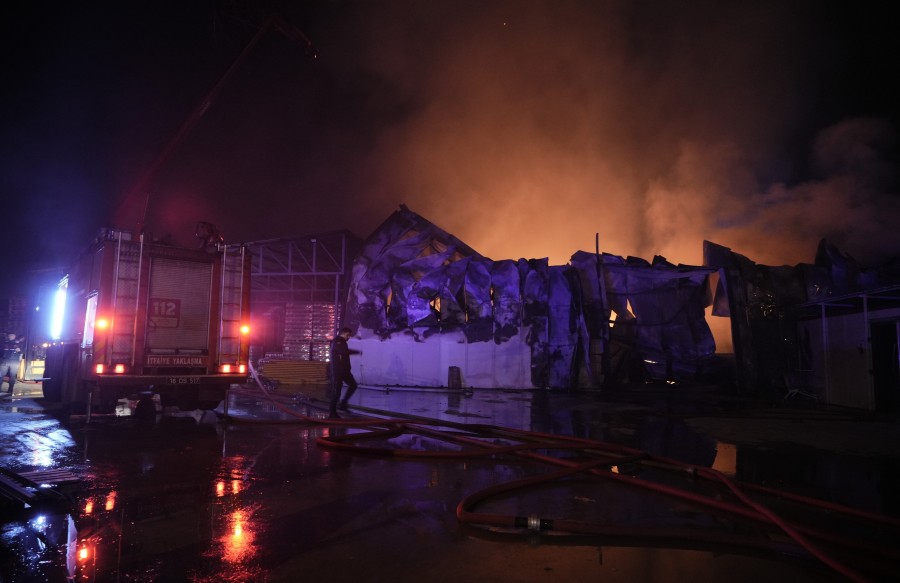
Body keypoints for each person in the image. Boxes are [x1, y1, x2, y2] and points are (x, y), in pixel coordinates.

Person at [329, 327, 361, 417]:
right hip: (338, 371)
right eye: (348, 335)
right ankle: (332, 413)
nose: (349, 337)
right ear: (343, 333)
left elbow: (345, 352)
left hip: (345, 371)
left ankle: (343, 404)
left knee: (353, 385)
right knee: (336, 392)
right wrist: (356, 352)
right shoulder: (337, 342)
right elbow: (343, 352)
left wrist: (356, 352)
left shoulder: (342, 342)